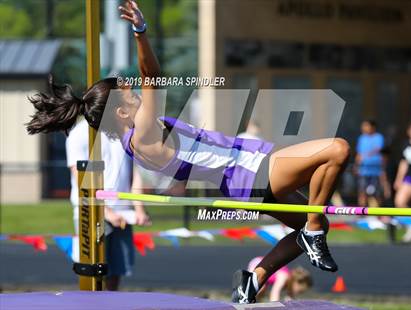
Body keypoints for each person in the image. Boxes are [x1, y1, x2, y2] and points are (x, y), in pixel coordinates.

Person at [26, 1, 350, 304]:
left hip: (241, 180)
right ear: (121, 114)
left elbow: (181, 156)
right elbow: (152, 76)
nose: (135, 90)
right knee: (336, 150)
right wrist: (141, 32)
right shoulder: (143, 131)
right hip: (250, 172)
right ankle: (314, 232)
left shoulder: (136, 142)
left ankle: (253, 278)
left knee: (304, 225)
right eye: (127, 92)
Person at [66, 118, 151, 290]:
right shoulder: (80, 133)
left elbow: (134, 173)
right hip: (91, 213)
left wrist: (139, 208)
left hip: (124, 214)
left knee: (117, 271)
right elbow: (82, 179)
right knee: (92, 272)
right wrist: (106, 212)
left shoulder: (124, 132)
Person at [394, 120, 411, 243]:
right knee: (399, 202)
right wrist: (399, 179)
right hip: (410, 178)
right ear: (409, 131)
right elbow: (404, 163)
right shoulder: (406, 145)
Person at [355, 120, 388, 207]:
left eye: (366, 126)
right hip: (363, 170)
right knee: (362, 192)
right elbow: (359, 153)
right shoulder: (361, 138)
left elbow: (378, 149)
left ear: (372, 127)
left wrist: (365, 156)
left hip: (376, 170)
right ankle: (361, 214)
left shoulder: (379, 137)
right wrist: (356, 166)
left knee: (377, 193)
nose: (363, 128)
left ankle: (378, 213)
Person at [248, 257, 312, 302]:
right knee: (259, 289)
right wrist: (275, 307)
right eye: (300, 291)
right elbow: (275, 291)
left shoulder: (290, 285)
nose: (298, 293)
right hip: (259, 264)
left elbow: (290, 299)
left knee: (260, 291)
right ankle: (245, 297)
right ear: (296, 282)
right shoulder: (283, 276)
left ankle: (254, 301)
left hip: (265, 270)